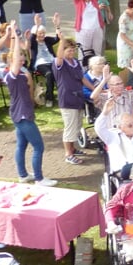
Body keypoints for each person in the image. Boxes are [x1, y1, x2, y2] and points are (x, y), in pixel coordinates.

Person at [4, 24, 54, 186]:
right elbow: (16, 54)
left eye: (23, 59)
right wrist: (15, 37)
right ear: (13, 63)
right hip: (23, 115)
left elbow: (18, 54)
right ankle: (39, 178)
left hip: (20, 113)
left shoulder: (17, 74)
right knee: (38, 146)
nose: (23, 60)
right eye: (20, 60)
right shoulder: (11, 76)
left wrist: (17, 38)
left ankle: (23, 175)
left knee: (22, 144)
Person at [51, 33, 85, 166]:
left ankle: (72, 148)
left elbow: (82, 78)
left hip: (78, 97)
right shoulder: (60, 63)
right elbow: (59, 56)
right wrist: (61, 39)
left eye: (73, 49)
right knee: (69, 127)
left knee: (77, 126)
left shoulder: (75, 62)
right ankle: (68, 154)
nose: (72, 52)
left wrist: (94, 88)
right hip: (67, 98)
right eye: (69, 50)